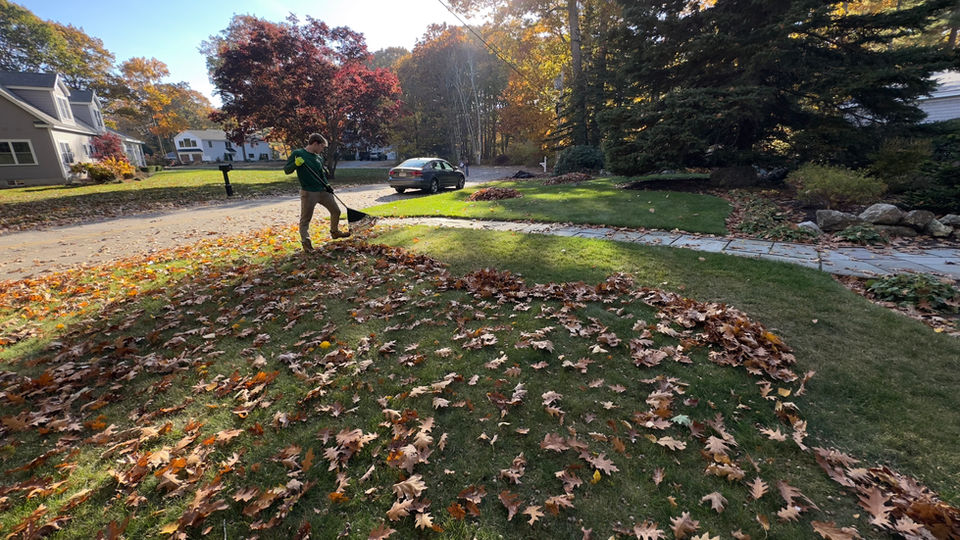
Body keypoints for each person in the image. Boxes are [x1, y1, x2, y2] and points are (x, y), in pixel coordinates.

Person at [284, 133, 349, 252]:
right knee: (305, 219)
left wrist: (327, 185)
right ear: (315, 143)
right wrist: (295, 164)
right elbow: (287, 170)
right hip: (308, 192)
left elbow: (321, 174)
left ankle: (335, 232)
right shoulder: (298, 154)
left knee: (336, 211)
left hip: (323, 190)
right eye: (322, 147)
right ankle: (306, 244)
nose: (322, 149)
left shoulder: (318, 157)